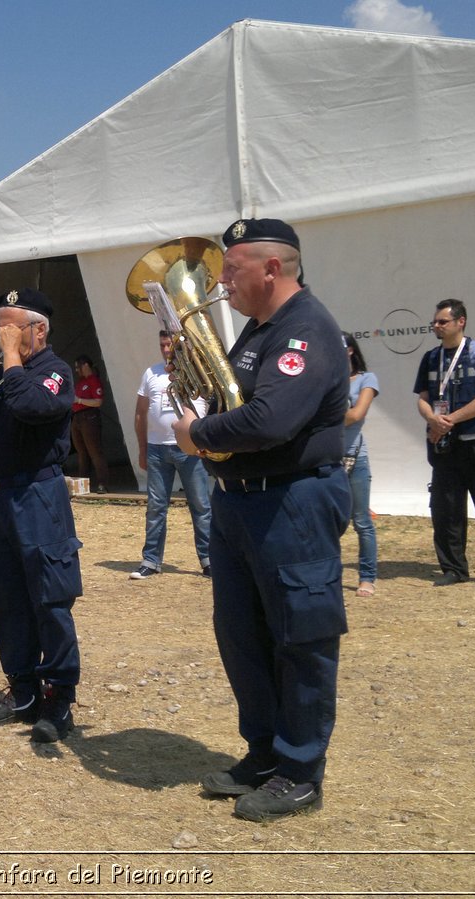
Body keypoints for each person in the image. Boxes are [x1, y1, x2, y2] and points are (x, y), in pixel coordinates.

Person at [174, 218, 350, 823]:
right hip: (242, 500)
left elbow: (271, 419)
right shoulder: (257, 331)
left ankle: (300, 772)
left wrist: (197, 433)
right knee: (243, 636)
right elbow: (234, 401)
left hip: (292, 501)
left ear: (272, 269)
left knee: (299, 637)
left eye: (232, 269)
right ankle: (265, 752)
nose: (221, 281)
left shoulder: (307, 330)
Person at [0, 288, 84, 743]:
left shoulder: (55, 372)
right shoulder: (2, 375)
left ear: (39, 329)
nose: (2, 337)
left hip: (36, 495)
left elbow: (32, 406)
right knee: (5, 595)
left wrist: (10, 359)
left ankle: (60, 697)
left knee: (49, 596)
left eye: (10, 330)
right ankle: (23, 686)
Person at [412, 298, 475, 589]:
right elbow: (422, 398)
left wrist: (449, 419)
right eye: (435, 321)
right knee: (446, 507)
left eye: (442, 321)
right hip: (444, 444)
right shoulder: (431, 358)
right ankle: (454, 567)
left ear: (460, 322)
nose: (436, 326)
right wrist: (433, 419)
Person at [130, 330, 211, 580]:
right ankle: (151, 560)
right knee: (156, 506)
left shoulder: (198, 373)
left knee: (200, 505)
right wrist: (142, 448)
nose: (166, 350)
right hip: (157, 448)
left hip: (190, 449)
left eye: (170, 345)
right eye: (163, 345)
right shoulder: (151, 373)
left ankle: (209, 560)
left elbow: (213, 407)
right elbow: (141, 413)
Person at [343, 334, 381, 597]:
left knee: (362, 522)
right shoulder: (324, 379)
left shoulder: (366, 379)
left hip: (355, 458)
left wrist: (322, 418)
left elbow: (357, 414)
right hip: (325, 458)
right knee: (328, 523)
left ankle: (367, 577)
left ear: (351, 351)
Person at [69, 355, 111, 493]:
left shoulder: (94, 381)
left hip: (89, 416)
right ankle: (82, 484)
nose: (77, 370)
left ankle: (102, 483)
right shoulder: (81, 382)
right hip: (77, 417)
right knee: (81, 452)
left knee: (94, 451)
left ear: (86, 365)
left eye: (78, 367)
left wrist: (79, 400)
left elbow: (98, 401)